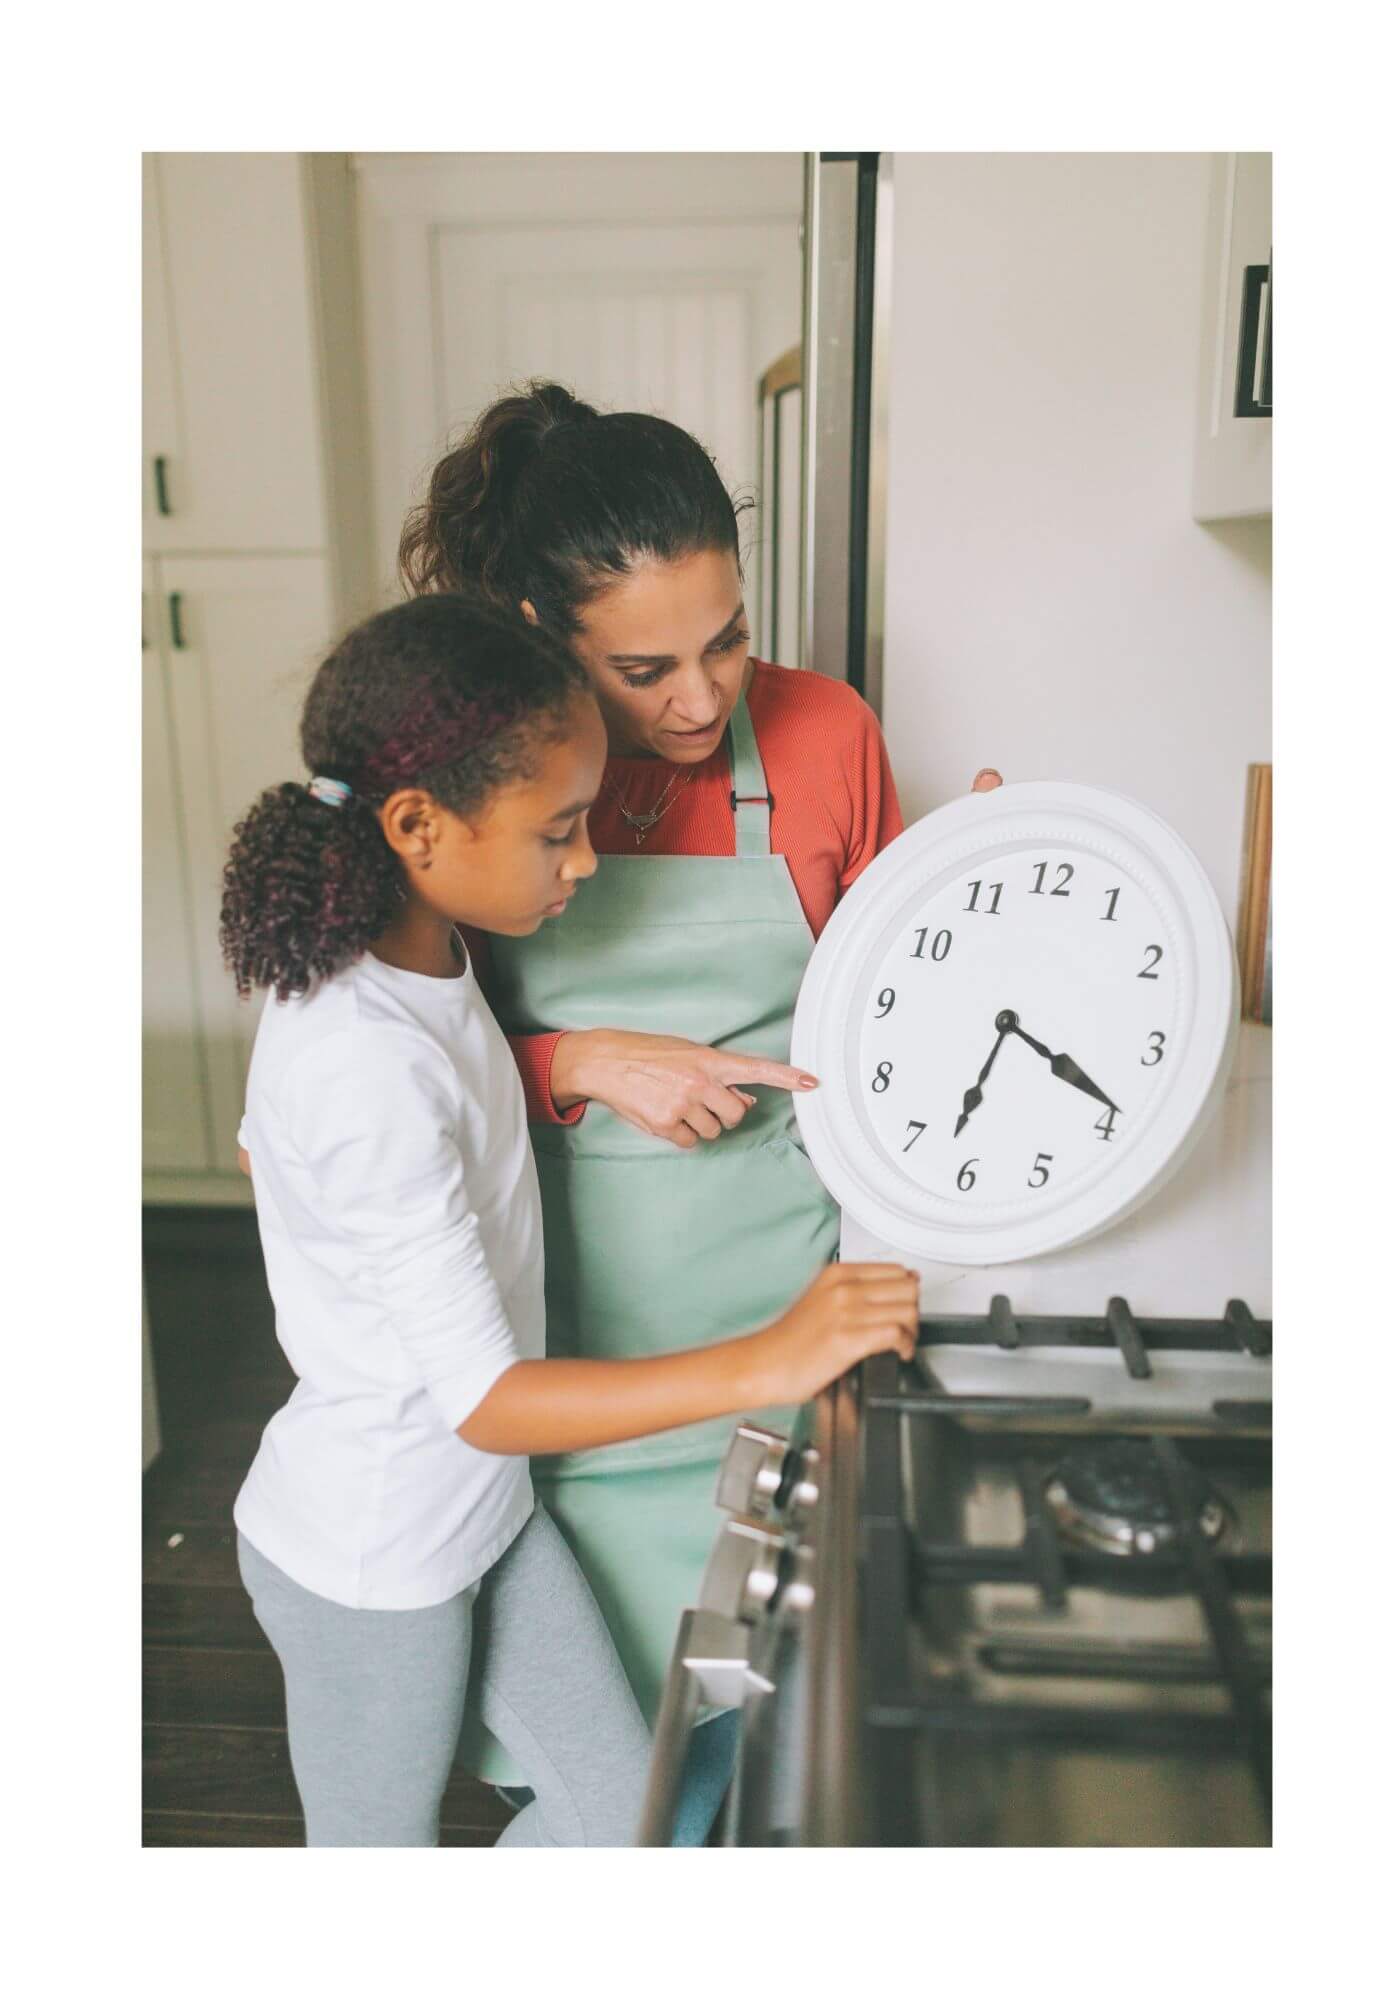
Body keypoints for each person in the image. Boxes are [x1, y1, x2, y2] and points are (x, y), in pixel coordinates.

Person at [399, 383, 1000, 1841]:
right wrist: (580, 1060)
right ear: (546, 638)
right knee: (605, 1773)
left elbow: (896, 1031)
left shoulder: (823, 735)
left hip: (784, 1336)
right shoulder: (479, 777)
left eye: (725, 638)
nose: (701, 696)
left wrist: (982, 914)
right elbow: (381, 1069)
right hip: (563, 1366)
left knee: (764, 1755)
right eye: (643, 666)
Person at [222, 593, 920, 1847]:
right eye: (557, 832)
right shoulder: (363, 1057)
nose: (587, 861)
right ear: (418, 825)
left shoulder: (423, 951)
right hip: (374, 1558)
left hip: (488, 1517)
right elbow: (485, 1397)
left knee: (626, 1827)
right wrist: (771, 1359)